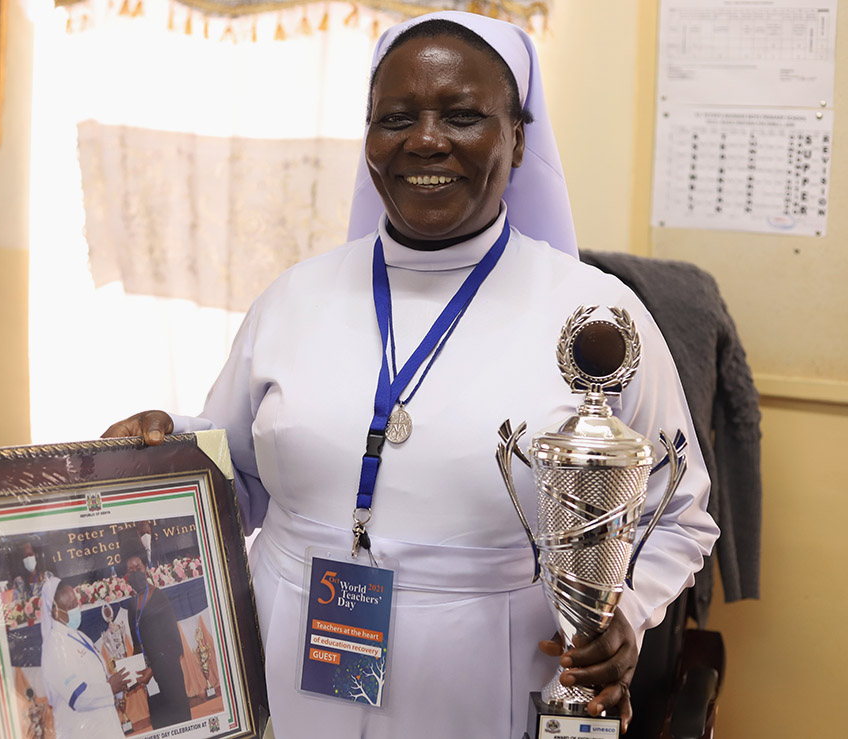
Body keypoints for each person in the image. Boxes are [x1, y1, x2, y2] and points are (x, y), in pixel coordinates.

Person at [103, 11, 719, 737]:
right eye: (397, 117)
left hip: (483, 687)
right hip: (290, 673)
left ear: (517, 137)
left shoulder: (596, 322)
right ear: (368, 138)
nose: (426, 139)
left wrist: (629, 610)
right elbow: (235, 479)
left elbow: (678, 510)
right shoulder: (292, 298)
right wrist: (166, 444)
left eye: (461, 115)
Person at [40, 577, 128, 738]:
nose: (76, 609)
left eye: (76, 603)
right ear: (55, 611)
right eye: (71, 606)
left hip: (106, 727)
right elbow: (77, 697)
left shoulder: (78, 635)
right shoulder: (54, 647)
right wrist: (110, 688)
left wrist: (119, 684)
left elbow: (98, 676)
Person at [124, 551, 193, 728]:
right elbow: (138, 645)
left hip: (168, 672)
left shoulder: (159, 596)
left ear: (145, 569)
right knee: (162, 726)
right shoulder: (132, 607)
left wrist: (152, 669)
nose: (135, 573)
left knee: (180, 724)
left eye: (138, 568)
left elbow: (174, 644)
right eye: (130, 571)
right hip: (150, 680)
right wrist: (131, 674)